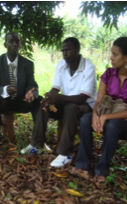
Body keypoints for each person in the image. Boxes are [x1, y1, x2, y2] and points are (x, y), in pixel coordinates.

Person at [72, 37, 127, 183]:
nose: (111, 58)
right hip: (105, 112)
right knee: (85, 120)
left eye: (115, 54)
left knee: (113, 125)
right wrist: (95, 114)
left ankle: (102, 169)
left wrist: (105, 118)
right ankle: (83, 164)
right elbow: (99, 101)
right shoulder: (108, 74)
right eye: (111, 53)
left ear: (126, 58)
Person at [21, 38, 97, 168]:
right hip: (67, 102)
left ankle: (65, 153)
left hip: (85, 106)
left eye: (68, 50)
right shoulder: (61, 64)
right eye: (63, 50)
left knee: (71, 108)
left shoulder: (88, 67)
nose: (64, 53)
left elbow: (82, 99)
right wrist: (50, 97)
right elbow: (56, 87)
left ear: (77, 49)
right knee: (42, 102)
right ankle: (37, 144)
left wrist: (58, 97)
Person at [0, 32, 43, 153]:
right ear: (5, 44)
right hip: (4, 102)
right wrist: (5, 90)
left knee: (39, 99)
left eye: (17, 42)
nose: (14, 44)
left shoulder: (27, 64)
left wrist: (31, 92)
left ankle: (39, 141)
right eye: (11, 42)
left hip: (22, 100)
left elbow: (33, 84)